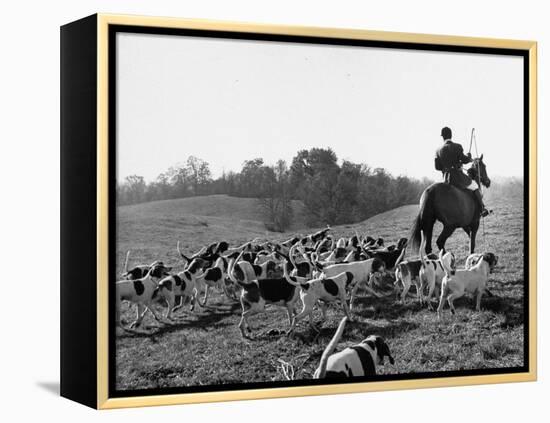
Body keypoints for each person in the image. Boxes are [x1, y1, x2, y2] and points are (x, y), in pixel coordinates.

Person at [434, 127, 489, 217]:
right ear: (451, 135)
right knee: (475, 187)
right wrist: (468, 157)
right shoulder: (457, 146)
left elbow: (437, 167)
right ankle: (482, 209)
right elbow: (464, 160)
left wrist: (446, 168)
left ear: (442, 137)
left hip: (444, 179)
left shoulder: (437, 150)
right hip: (457, 178)